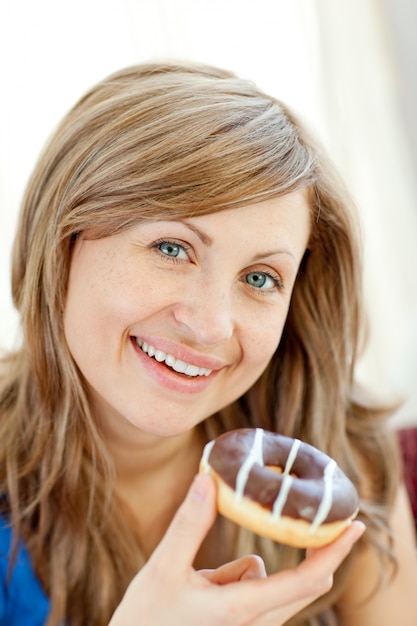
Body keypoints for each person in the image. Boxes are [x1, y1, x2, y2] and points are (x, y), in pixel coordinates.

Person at [0, 62, 416, 626]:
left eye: (260, 278)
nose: (212, 324)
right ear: (61, 243)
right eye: (172, 248)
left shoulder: (346, 465)